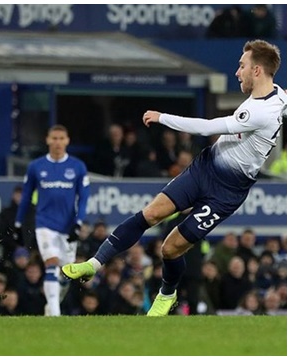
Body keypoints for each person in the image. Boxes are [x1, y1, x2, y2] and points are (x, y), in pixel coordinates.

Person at [62, 40, 286, 317]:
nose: (237, 72)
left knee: (169, 249)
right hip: (205, 168)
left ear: (257, 71)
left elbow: (206, 127)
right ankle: (94, 264)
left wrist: (162, 117)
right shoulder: (279, 95)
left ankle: (167, 294)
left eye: (242, 66)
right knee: (151, 213)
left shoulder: (258, 111)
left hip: (227, 192)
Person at [12, 124, 90, 316]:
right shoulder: (36, 166)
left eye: (61, 138)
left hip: (68, 225)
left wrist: (78, 223)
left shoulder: (77, 167)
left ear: (67, 141)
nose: (57, 142)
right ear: (47, 140)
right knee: (51, 263)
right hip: (45, 223)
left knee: (65, 273)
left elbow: (84, 198)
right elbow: (26, 197)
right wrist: (18, 223)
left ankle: (52, 306)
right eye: (54, 138)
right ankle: (55, 314)